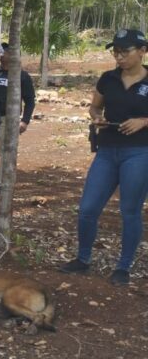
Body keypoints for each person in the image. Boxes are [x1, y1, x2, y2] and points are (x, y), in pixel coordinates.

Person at [60, 29, 148, 286]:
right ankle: (83, 259)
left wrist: (143, 122)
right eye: (115, 52)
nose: (119, 57)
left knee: (129, 211)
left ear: (142, 51)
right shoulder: (108, 78)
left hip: (139, 153)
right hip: (108, 151)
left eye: (125, 51)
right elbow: (95, 106)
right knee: (88, 208)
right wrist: (96, 117)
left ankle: (123, 267)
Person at [0, 42, 36, 191]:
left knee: (6, 153)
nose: (2, 54)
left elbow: (30, 100)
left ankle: (1, 184)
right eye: (1, 52)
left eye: (5, 52)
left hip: (7, 120)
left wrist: (24, 121)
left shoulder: (22, 76)